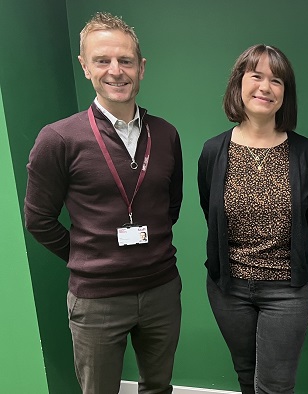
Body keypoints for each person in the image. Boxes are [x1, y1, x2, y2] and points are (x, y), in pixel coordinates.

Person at [24, 12, 183, 394]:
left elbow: (169, 206)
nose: (116, 71)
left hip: (161, 288)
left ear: (141, 67)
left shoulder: (165, 134)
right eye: (103, 60)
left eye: (126, 60)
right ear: (85, 67)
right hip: (96, 298)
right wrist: (87, 255)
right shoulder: (59, 138)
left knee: (159, 387)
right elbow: (38, 218)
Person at [198, 44, 308, 394]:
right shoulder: (213, 151)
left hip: (287, 290)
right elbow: (210, 211)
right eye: (256, 76)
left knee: (275, 385)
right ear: (240, 82)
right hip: (229, 287)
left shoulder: (303, 152)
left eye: (277, 81)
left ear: (286, 93)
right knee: (246, 375)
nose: (265, 87)